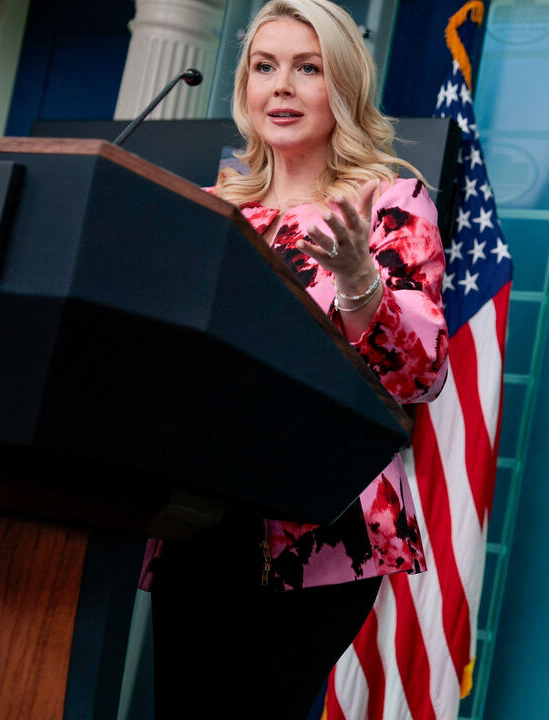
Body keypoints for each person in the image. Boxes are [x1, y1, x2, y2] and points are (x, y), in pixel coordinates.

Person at [141, 1, 449, 716]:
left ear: (342, 87)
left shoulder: (388, 202)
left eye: (307, 68)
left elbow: (421, 373)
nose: (280, 86)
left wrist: (361, 282)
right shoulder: (210, 207)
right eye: (264, 67)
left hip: (320, 522)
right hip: (198, 507)